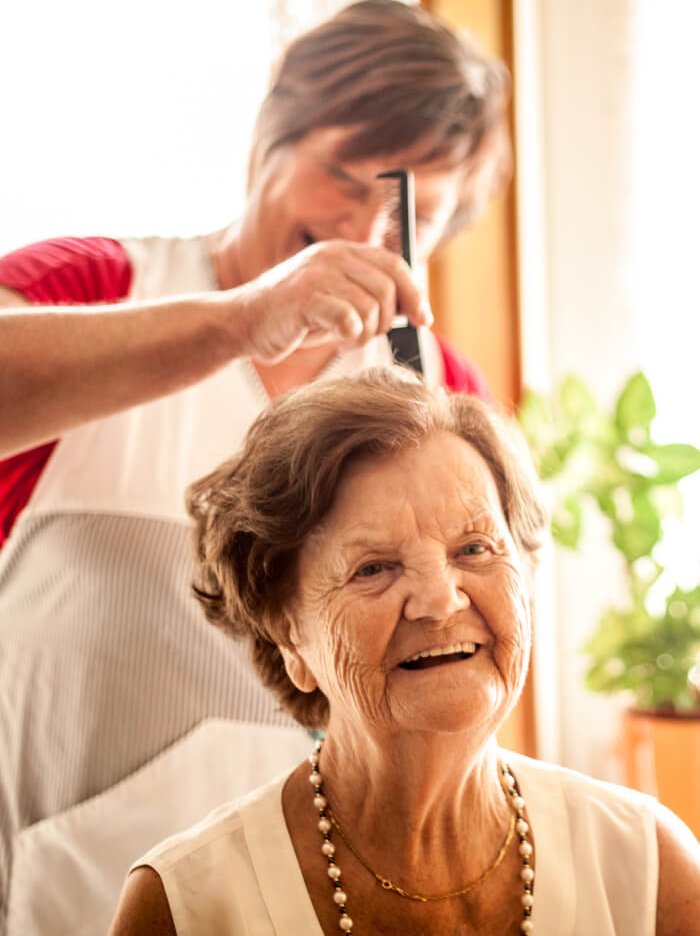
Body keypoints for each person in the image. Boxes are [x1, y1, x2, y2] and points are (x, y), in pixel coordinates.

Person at [0, 0, 509, 931]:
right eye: (340, 175)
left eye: (411, 213)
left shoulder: (441, 394)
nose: (363, 228)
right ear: (265, 143)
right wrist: (240, 319)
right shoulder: (94, 291)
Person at [108, 366, 700, 935]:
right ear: (289, 635)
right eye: (374, 568)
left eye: (473, 549)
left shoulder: (650, 869)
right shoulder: (183, 908)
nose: (440, 602)